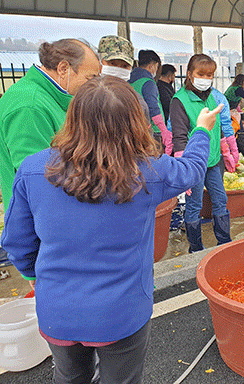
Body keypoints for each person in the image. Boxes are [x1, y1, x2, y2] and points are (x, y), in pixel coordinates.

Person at [0, 76, 219, 384]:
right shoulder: (148, 171)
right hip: (121, 313)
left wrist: (43, 278)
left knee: (69, 377)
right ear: (134, 121)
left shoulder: (34, 170)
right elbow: (193, 169)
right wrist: (201, 129)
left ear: (73, 118)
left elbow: (17, 245)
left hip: (57, 310)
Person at [0, 38, 100, 209]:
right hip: (38, 214)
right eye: (90, 78)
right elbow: (36, 176)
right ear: (63, 68)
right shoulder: (29, 106)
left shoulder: (51, 97)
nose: (93, 85)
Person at [170, 54, 232, 253]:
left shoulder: (212, 96)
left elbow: (217, 126)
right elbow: (179, 137)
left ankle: (224, 243)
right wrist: (183, 171)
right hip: (194, 164)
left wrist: (226, 149)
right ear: (189, 74)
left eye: (210, 75)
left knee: (220, 199)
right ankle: (195, 249)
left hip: (213, 160)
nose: (205, 79)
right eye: (201, 74)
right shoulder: (179, 101)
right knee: (194, 204)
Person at [129, 50, 173, 155]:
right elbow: (153, 107)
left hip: (137, 127)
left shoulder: (129, 81)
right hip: (153, 131)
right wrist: (163, 130)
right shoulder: (148, 82)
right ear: (152, 66)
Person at [97, 35, 150, 119]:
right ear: (99, 62)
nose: (118, 69)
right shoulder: (87, 97)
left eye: (125, 66)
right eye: (112, 63)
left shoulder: (137, 104)